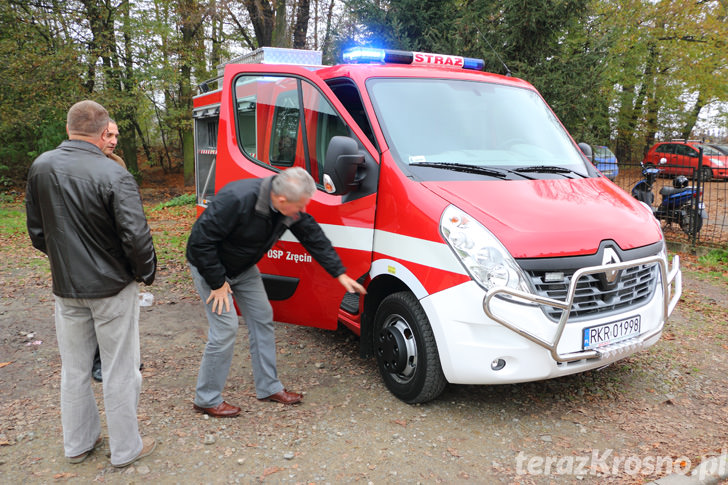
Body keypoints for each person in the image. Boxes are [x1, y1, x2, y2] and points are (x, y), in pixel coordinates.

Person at [25, 100, 157, 467]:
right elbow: (136, 235)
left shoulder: (41, 166)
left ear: (69, 130)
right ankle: (126, 450)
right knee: (120, 369)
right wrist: (144, 272)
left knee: (75, 368)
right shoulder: (114, 174)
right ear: (103, 133)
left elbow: (38, 232)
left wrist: (65, 261)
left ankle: (78, 444)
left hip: (66, 287)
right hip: (112, 287)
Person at [186, 167, 366, 417]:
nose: (302, 212)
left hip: (243, 268)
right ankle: (206, 398)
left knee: (262, 317)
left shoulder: (289, 206)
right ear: (282, 200)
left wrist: (339, 272)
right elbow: (199, 243)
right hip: (211, 267)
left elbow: (313, 237)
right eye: (299, 207)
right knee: (225, 329)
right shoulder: (237, 199)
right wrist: (217, 283)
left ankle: (269, 387)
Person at [91, 118, 127, 383]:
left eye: (116, 135)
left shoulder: (117, 164)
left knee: (120, 310)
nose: (114, 141)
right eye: (109, 135)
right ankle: (98, 362)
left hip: (117, 250)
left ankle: (122, 357)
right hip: (91, 251)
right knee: (95, 312)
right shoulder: (83, 166)